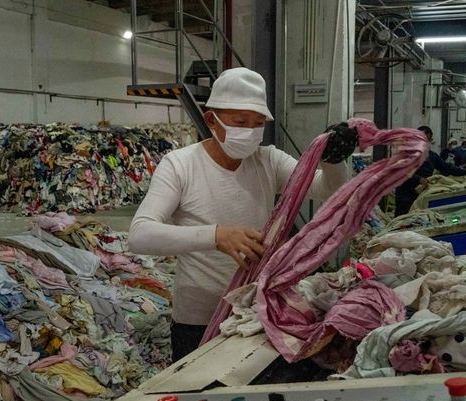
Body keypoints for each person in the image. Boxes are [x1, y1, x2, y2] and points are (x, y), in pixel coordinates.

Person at [128, 67, 352, 362]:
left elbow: (327, 189)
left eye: (257, 124)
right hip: (198, 321)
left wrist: (334, 159)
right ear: (212, 120)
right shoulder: (180, 165)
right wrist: (216, 235)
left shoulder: (267, 161)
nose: (250, 132)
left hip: (255, 313)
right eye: (240, 122)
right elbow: (140, 235)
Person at [394, 126, 466, 217]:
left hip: (421, 196)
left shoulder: (432, 156)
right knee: (402, 223)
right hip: (405, 196)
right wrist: (418, 179)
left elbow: (447, 167)